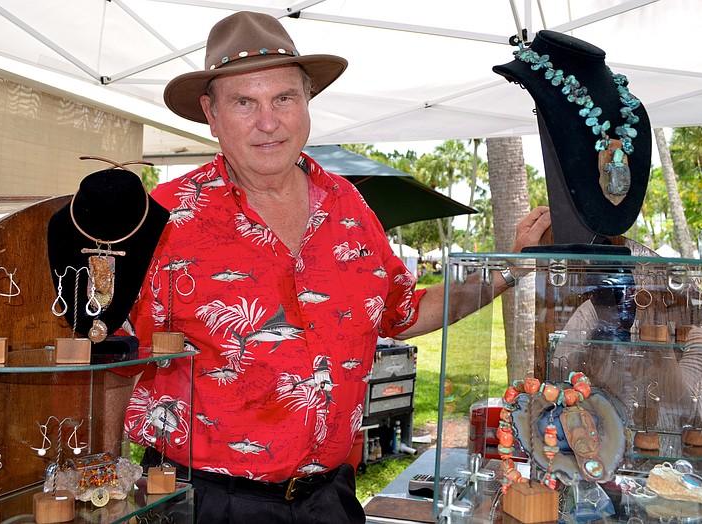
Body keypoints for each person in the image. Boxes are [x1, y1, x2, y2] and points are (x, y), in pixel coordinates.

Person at [123, 11, 551, 523]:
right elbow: (105, 350)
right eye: (244, 102)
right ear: (211, 114)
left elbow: (405, 311)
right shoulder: (162, 218)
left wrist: (513, 268)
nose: (268, 121)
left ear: (307, 103)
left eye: (284, 98)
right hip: (204, 502)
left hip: (330, 499)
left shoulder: (347, 206)